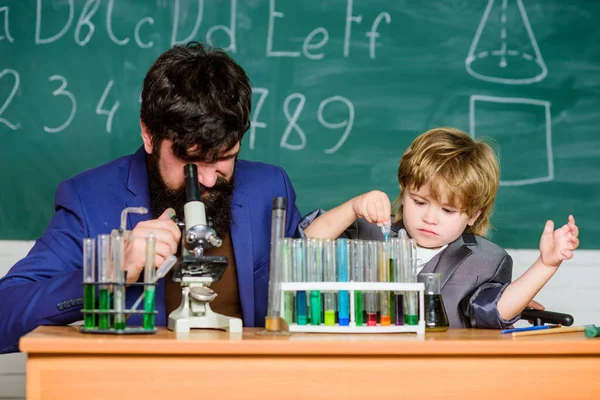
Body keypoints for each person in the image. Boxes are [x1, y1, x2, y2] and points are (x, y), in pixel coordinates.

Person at [0, 42, 302, 353]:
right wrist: (111, 272)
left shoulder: (269, 188)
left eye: (226, 157)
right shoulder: (89, 199)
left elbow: (302, 297)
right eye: (192, 162)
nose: (209, 179)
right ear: (149, 135)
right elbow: (4, 315)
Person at [300, 127, 579, 328]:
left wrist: (545, 265)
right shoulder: (367, 232)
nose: (430, 218)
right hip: (358, 365)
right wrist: (352, 208)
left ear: (473, 214)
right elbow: (304, 244)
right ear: (404, 190)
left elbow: (493, 311)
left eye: (447, 210)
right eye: (419, 202)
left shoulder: (486, 261)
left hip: (441, 376)